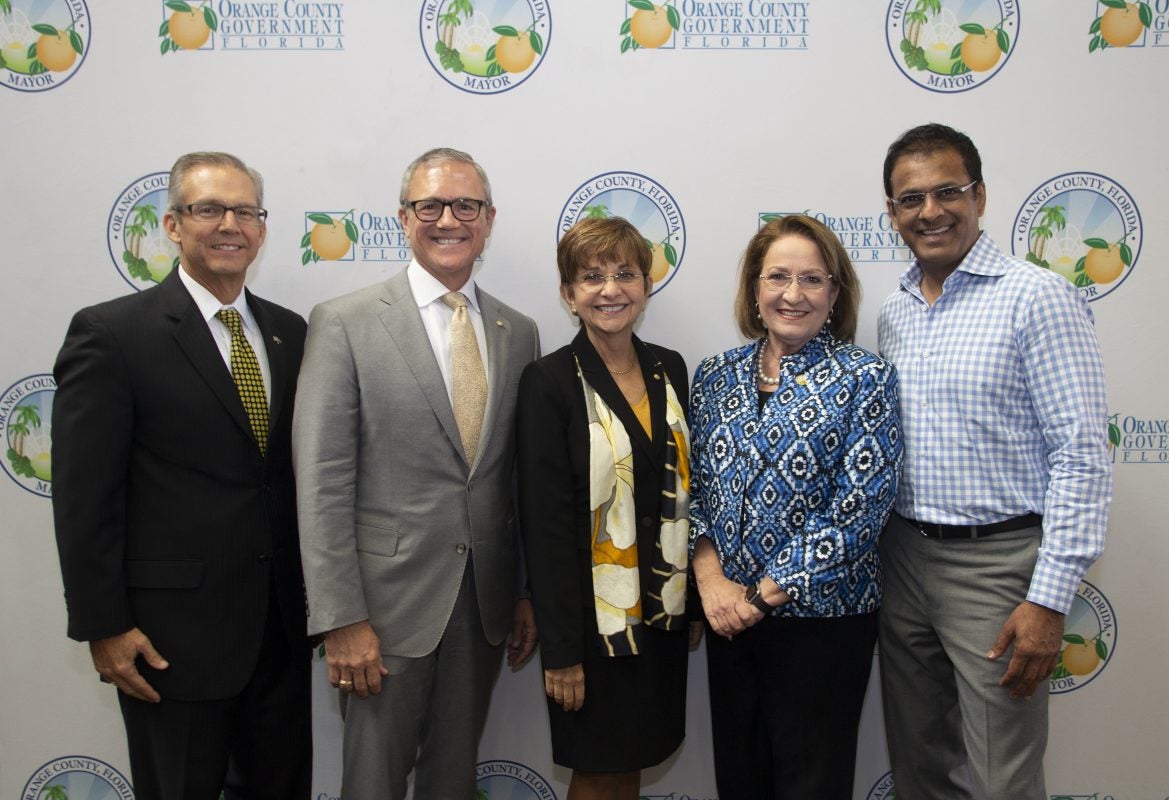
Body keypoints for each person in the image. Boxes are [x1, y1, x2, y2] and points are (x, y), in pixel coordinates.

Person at [51, 152, 312, 800]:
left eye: (245, 211)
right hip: (170, 646)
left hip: (280, 639)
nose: (231, 224)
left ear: (261, 226)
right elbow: (85, 498)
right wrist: (102, 626)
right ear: (172, 225)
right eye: (209, 210)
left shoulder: (290, 333)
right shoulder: (112, 335)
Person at [293, 146, 541, 799]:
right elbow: (321, 482)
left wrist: (522, 591)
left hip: (481, 605)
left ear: (488, 219)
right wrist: (340, 616)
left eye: (465, 205)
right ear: (403, 218)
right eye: (429, 205)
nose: (447, 219)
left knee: (452, 781)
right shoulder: (343, 323)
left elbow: (516, 477)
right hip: (381, 614)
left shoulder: (520, 332)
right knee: (372, 784)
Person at [876, 123, 1112, 800]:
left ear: (979, 195)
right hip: (903, 556)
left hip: (998, 567)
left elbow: (1080, 455)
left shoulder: (1037, 297)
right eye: (910, 198)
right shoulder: (893, 309)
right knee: (919, 766)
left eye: (947, 191)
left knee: (1000, 777)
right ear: (891, 214)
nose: (931, 211)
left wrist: (1047, 596)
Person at [688, 214, 902, 799]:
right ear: (754, 290)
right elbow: (694, 492)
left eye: (812, 279)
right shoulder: (714, 377)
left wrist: (762, 596)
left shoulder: (866, 379)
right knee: (741, 779)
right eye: (777, 276)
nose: (792, 293)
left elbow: (859, 511)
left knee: (812, 785)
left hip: (824, 628)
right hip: (728, 618)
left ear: (835, 293)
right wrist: (711, 584)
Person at [517, 217, 701, 800]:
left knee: (635, 767)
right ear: (569, 294)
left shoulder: (670, 367)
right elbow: (544, 527)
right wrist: (562, 652)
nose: (610, 289)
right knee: (598, 772)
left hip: (661, 620)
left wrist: (690, 604)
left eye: (625, 273)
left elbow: (682, 495)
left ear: (646, 286)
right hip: (592, 631)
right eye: (591, 276)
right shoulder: (547, 381)